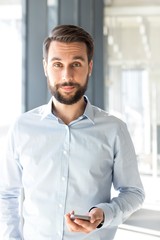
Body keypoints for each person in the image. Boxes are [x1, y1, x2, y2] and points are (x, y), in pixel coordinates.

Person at [0, 24, 145, 240]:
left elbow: (133, 192)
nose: (67, 76)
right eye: (57, 64)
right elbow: (7, 194)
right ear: (45, 67)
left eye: (76, 64)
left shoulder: (114, 129)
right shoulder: (22, 128)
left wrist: (104, 215)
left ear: (90, 66)